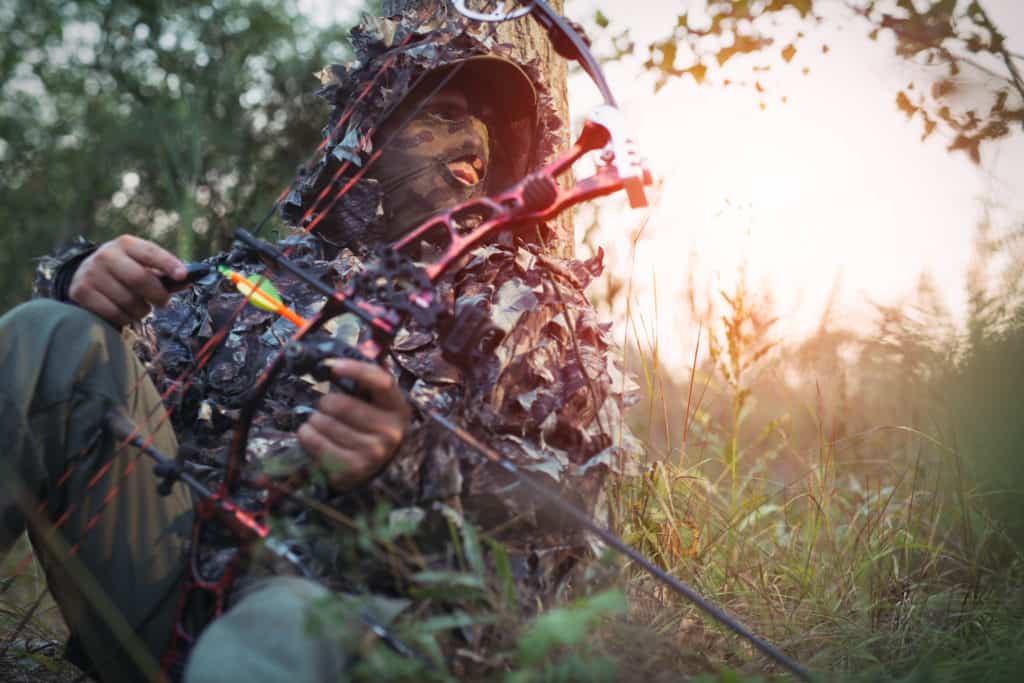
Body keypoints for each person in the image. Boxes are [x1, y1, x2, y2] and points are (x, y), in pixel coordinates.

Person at [0, 8, 637, 683]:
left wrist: (406, 452)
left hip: (335, 613)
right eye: (442, 113)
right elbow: (124, 383)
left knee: (263, 644)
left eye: (480, 122)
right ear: (369, 139)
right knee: (50, 333)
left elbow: (562, 524)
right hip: (171, 579)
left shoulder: (526, 301)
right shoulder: (261, 278)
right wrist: (82, 283)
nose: (472, 132)